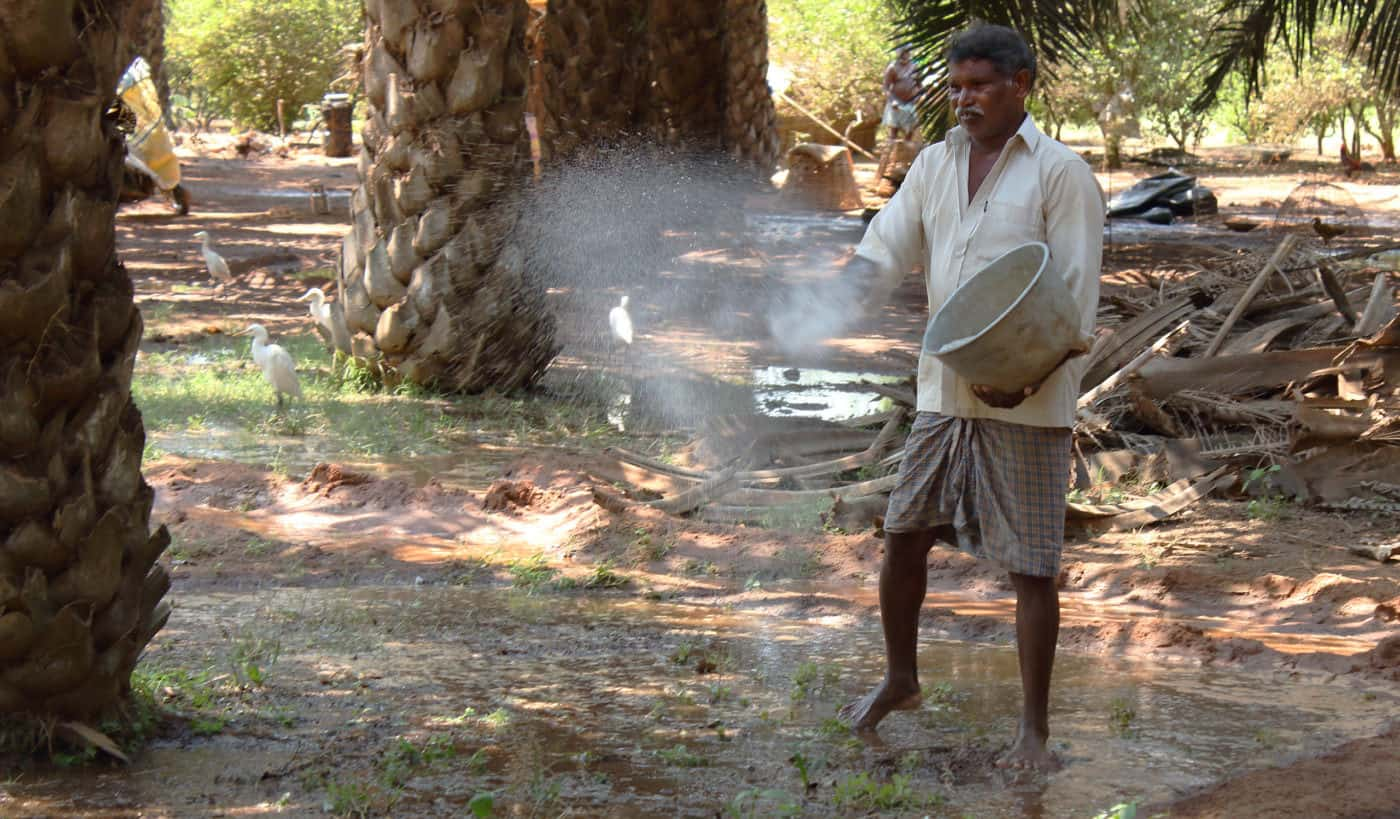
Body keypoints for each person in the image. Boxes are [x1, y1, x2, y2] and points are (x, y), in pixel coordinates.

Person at [836, 24, 1104, 771]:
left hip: (1029, 394)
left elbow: (1074, 303)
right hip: (947, 388)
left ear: (1022, 85)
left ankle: (1033, 731)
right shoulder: (933, 164)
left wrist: (1019, 376)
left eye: (980, 86)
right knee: (904, 534)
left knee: (1031, 567)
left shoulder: (1060, 174)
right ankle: (901, 675)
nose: (963, 100)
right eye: (954, 87)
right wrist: (827, 300)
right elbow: (885, 249)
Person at [882, 47, 922, 142]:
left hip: (910, 103)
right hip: (896, 103)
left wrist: (919, 97)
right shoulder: (892, 67)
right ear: (898, 55)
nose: (905, 56)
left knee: (910, 130)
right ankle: (892, 152)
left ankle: (906, 152)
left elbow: (920, 85)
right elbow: (885, 87)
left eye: (907, 53)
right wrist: (893, 101)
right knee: (893, 130)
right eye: (903, 54)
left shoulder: (914, 66)